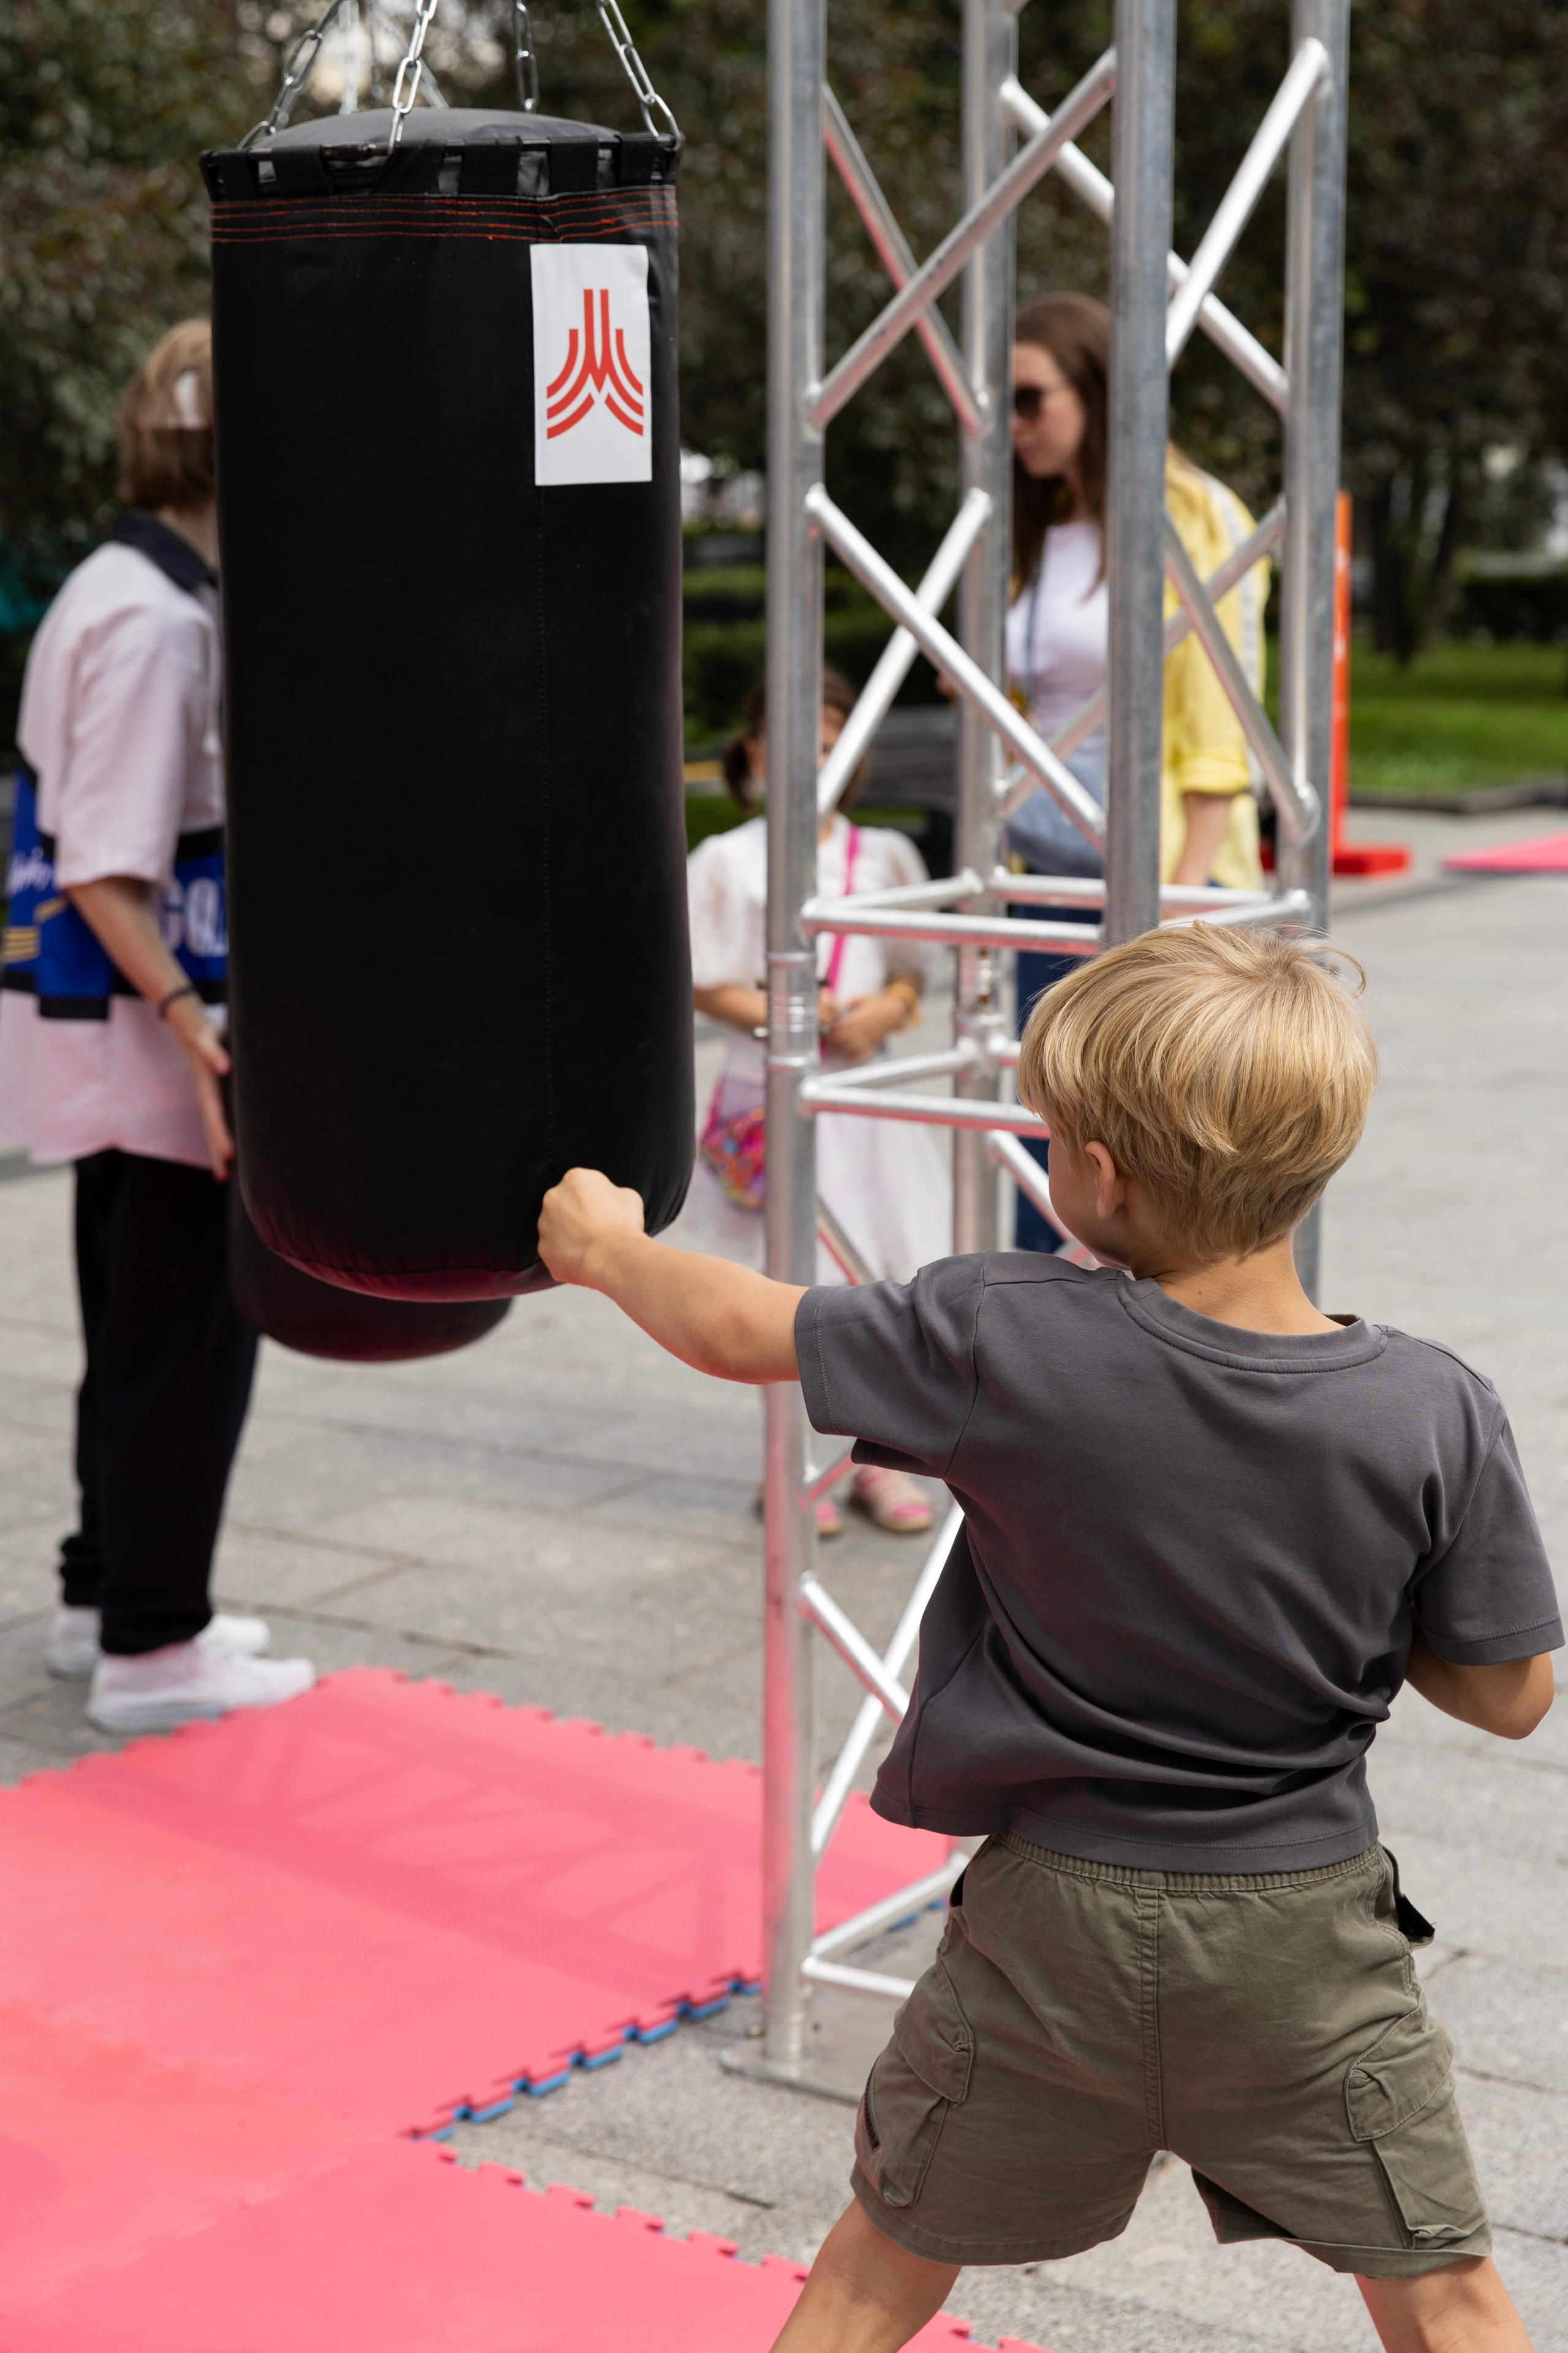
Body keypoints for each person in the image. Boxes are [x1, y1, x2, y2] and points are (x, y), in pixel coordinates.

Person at [536, 923, 1558, 2353]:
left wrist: (611, 1251)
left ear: (1099, 1175)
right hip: (1299, 1935)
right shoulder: (1428, 1405)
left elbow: (734, 1327)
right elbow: (1513, 1695)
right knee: (1440, 2287)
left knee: (876, 2267)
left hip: (1046, 1926)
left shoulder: (1002, 1335)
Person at [0, 321, 315, 1734]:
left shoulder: (127, 587)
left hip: (118, 1039)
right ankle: (153, 1642)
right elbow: (104, 859)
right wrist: (201, 1028)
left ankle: (104, 1599)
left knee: (138, 1339)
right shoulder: (156, 617)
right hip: (154, 1044)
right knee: (183, 1344)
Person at [1006, 291, 1271, 1250]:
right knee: (1045, 1172)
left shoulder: (1191, 513)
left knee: (1158, 1188)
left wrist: (1183, 904)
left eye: (1032, 399)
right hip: (1044, 885)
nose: (1013, 424)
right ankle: (1035, 1387)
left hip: (1156, 895)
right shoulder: (1034, 524)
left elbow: (1218, 718)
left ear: (1097, 391)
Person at [684, 670, 949, 1536]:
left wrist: (890, 1010)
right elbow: (705, 981)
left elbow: (914, 966)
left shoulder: (885, 857)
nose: (818, 760)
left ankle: (875, 1466)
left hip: (868, 1100)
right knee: (784, 1291)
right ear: (757, 751)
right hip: (774, 1096)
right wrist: (787, 1014)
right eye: (799, 742)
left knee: (880, 1282)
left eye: (836, 744)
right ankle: (791, 1466)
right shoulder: (727, 859)